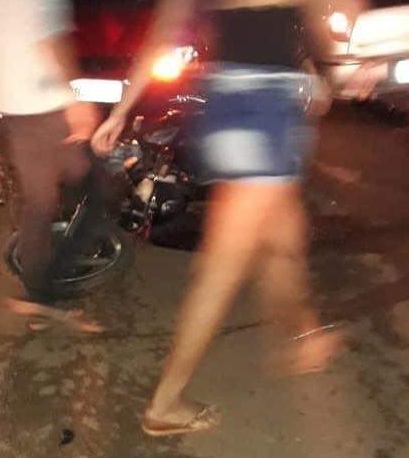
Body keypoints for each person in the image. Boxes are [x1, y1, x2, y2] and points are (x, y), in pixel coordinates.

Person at [92, 0, 338, 436]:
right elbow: (335, 17)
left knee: (284, 231)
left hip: (226, 102)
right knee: (223, 269)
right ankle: (165, 403)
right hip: (265, 113)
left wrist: (121, 110)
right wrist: (325, 59)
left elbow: (161, 32)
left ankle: (303, 333)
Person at [0, 0, 102, 331]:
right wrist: (76, 99)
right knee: (98, 192)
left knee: (39, 202)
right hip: (46, 104)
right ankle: (51, 282)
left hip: (14, 106)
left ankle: (38, 295)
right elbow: (51, 35)